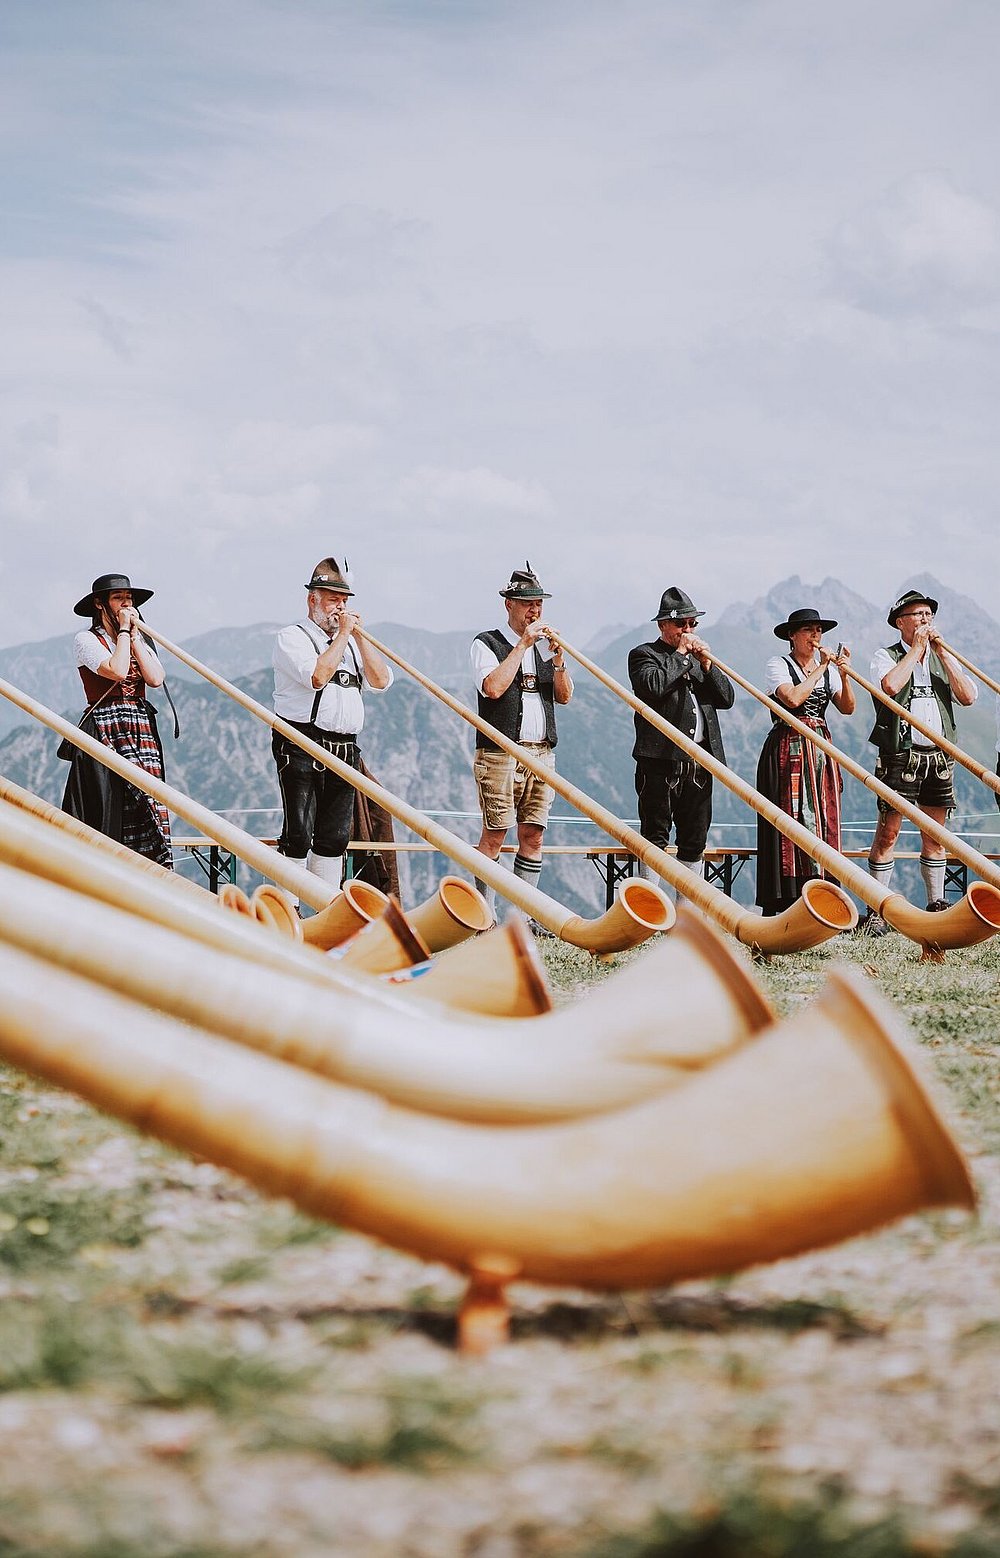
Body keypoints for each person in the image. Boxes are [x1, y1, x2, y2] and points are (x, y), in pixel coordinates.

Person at [271, 557, 392, 895]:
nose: (339, 607)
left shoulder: (352, 642)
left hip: (345, 747)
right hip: (301, 743)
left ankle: (325, 905)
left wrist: (360, 638)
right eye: (332, 600)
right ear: (312, 600)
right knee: (298, 833)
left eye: (343, 601)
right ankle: (289, 907)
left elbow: (381, 681)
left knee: (335, 836)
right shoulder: (291, 637)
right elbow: (317, 676)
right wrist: (344, 636)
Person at [865, 588, 977, 932]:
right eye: (918, 614)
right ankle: (877, 909)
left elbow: (968, 697)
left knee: (935, 835)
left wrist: (942, 653)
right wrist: (916, 650)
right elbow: (889, 686)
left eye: (929, 614)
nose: (925, 620)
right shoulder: (886, 656)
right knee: (889, 833)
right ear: (900, 622)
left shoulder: (945, 656)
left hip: (939, 756)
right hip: (901, 754)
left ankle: (936, 902)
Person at [471, 562, 573, 920]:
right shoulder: (487, 643)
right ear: (509, 604)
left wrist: (559, 661)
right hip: (500, 752)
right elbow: (493, 688)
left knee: (533, 835)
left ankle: (522, 917)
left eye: (539, 603)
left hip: (541, 752)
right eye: (528, 603)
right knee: (495, 834)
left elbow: (564, 697)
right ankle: (484, 915)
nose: (535, 610)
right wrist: (523, 645)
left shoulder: (543, 646)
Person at [62, 572, 173, 866]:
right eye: (118, 598)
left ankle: (151, 866)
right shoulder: (86, 639)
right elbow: (117, 670)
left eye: (129, 598)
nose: (126, 604)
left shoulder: (138, 638)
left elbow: (156, 678)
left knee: (148, 800)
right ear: (100, 604)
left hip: (139, 725)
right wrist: (123, 631)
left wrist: (134, 636)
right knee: (110, 802)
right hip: (106, 725)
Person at [628, 586, 734, 892]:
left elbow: (726, 699)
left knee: (694, 839)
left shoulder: (699, 661)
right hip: (660, 761)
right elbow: (652, 686)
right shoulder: (644, 655)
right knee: (654, 836)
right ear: (663, 625)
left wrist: (708, 666)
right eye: (681, 624)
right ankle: (649, 907)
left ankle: (687, 911)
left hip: (698, 762)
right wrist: (682, 655)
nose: (688, 630)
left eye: (692, 624)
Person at [754, 606, 855, 916]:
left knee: (823, 816)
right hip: (788, 746)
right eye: (809, 630)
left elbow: (847, 708)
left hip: (820, 749)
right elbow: (793, 699)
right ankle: (785, 897)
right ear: (792, 636)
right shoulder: (778, 664)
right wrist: (822, 667)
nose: (816, 636)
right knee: (789, 814)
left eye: (819, 630)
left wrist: (844, 675)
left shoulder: (827, 670)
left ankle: (824, 891)